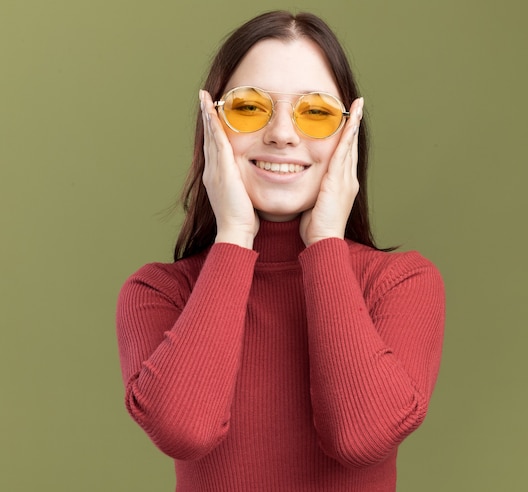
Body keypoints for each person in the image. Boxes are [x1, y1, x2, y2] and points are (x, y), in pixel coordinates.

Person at [116, 10, 445, 491]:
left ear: (348, 136)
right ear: (212, 125)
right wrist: (232, 234)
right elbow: (184, 430)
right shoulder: (158, 293)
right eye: (250, 108)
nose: (282, 134)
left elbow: (361, 438)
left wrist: (326, 243)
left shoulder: (401, 284)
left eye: (316, 113)